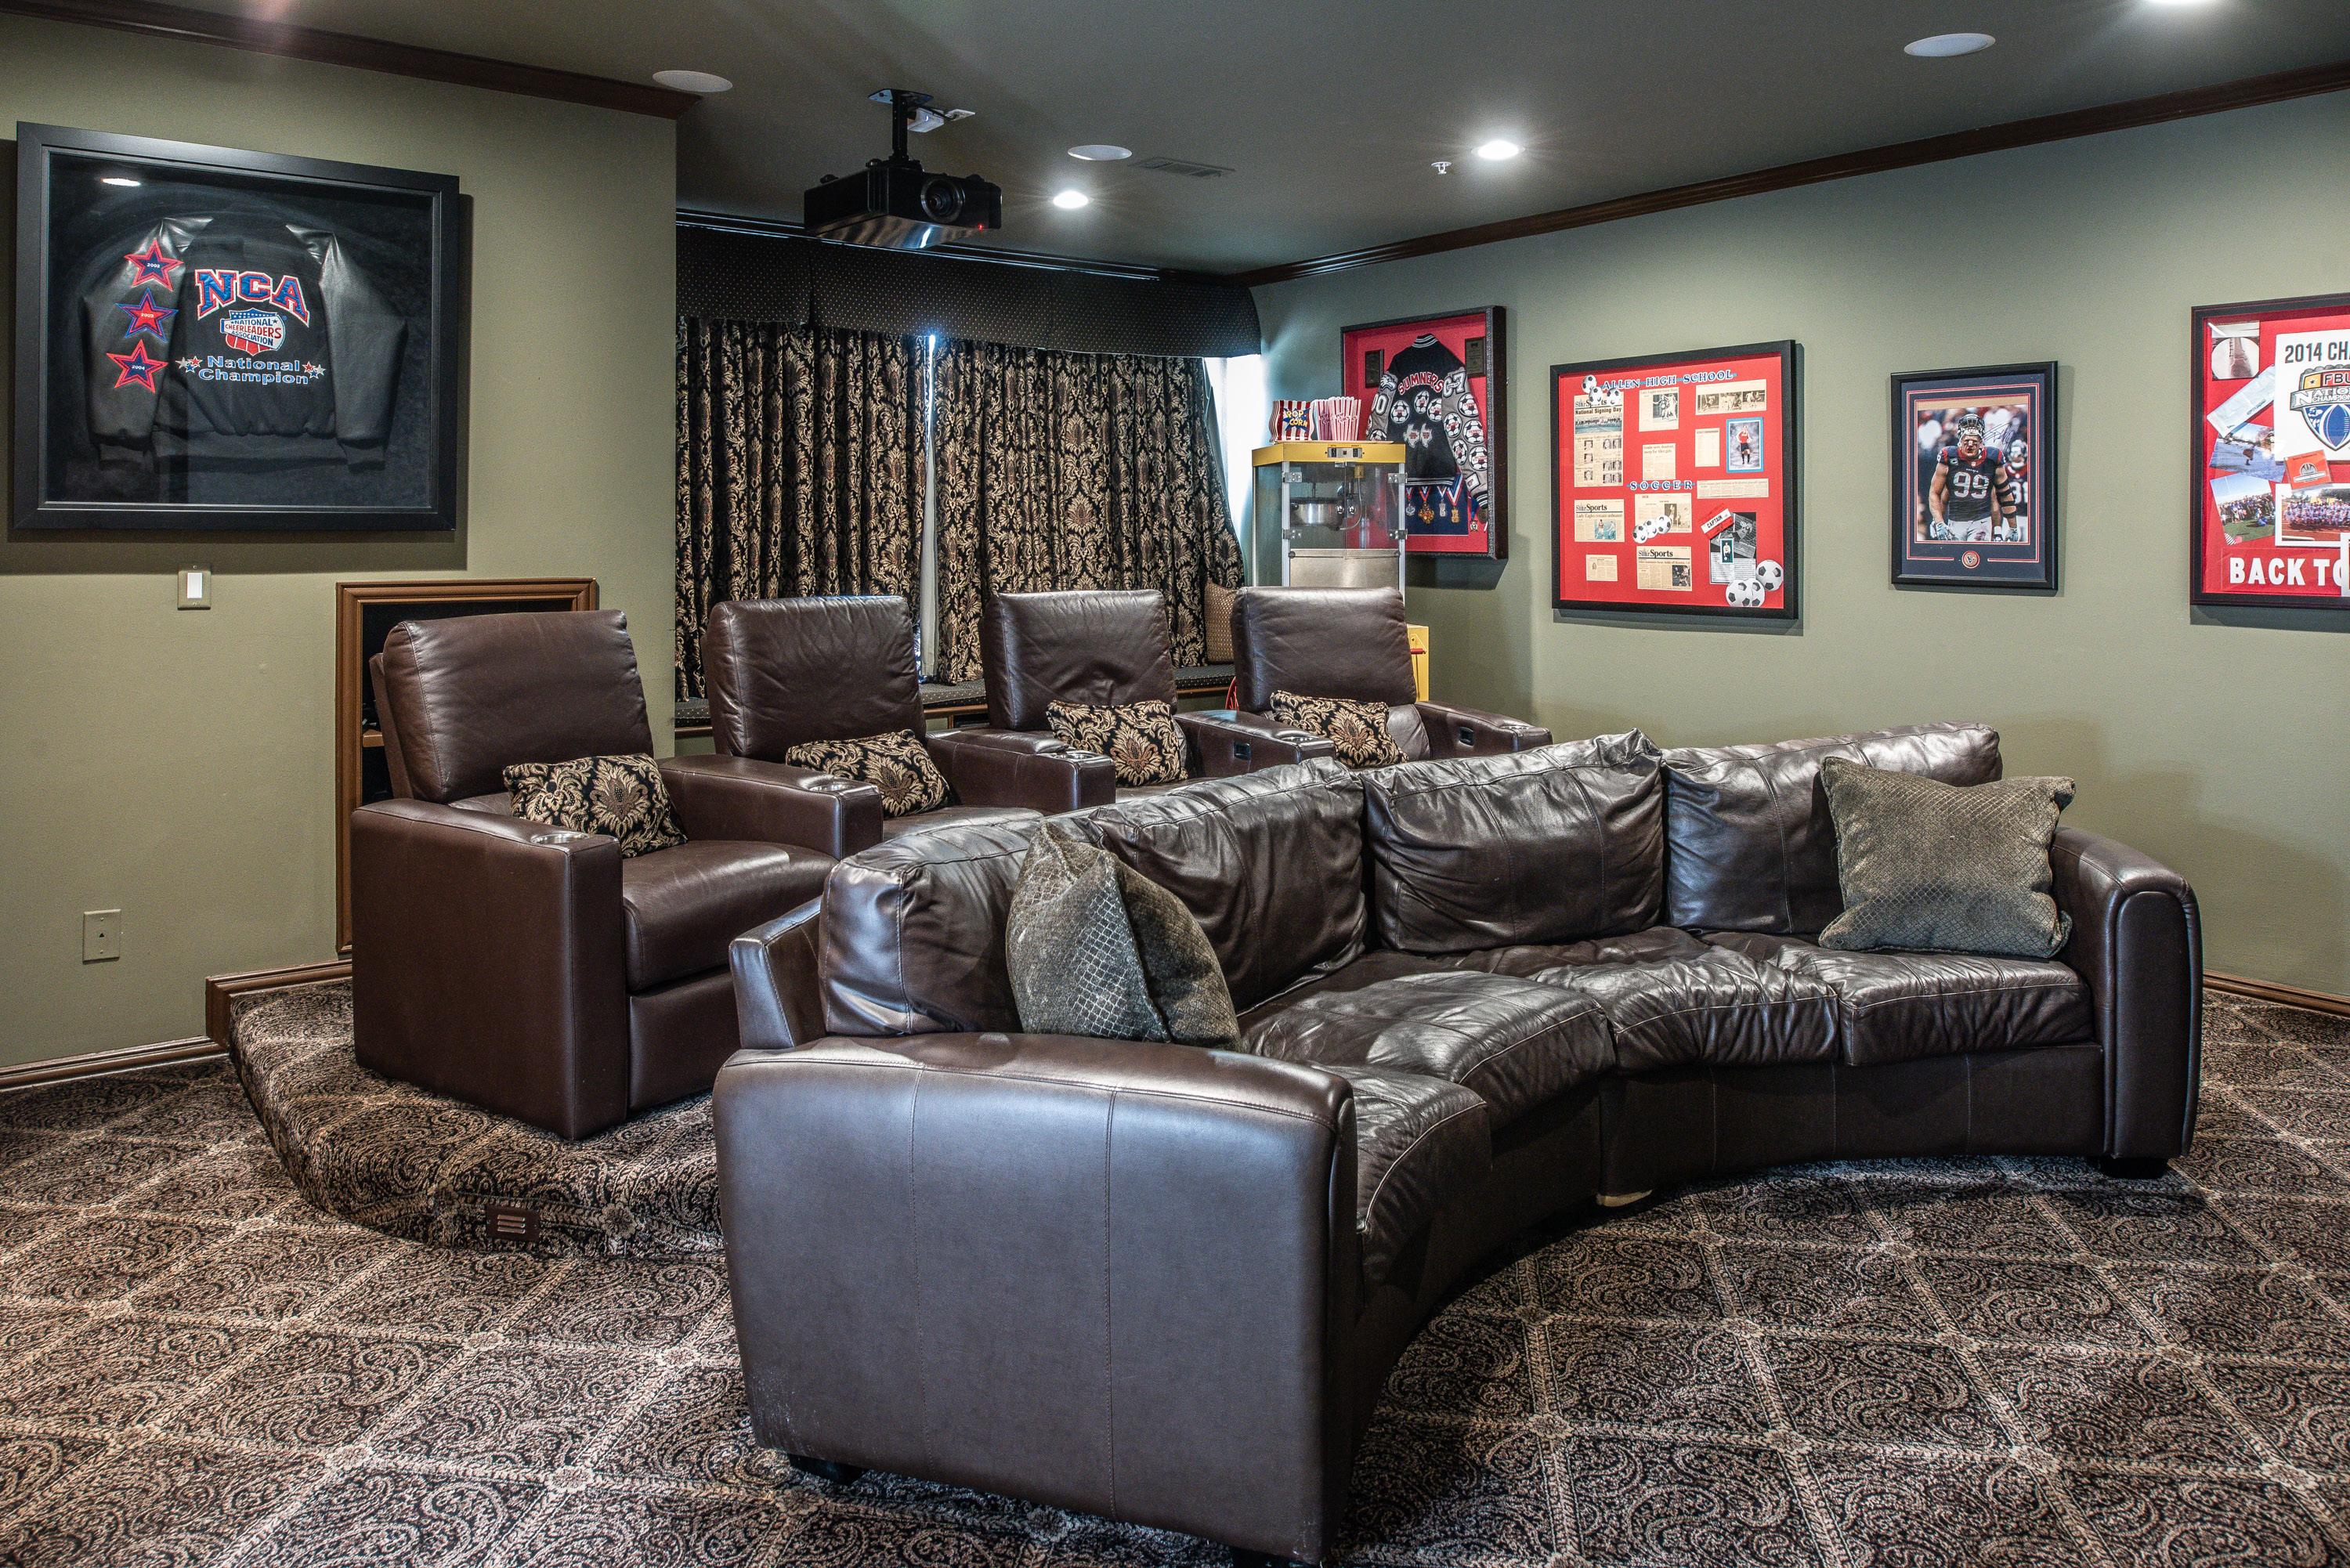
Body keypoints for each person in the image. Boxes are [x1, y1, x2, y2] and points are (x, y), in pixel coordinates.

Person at [1928, 412, 2010, 542]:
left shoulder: (1991, 458)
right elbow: (1940, 495)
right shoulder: (1949, 456)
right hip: (1956, 519)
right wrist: (1938, 521)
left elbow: (1994, 499)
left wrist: (1997, 530)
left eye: (1974, 440)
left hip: (1981, 520)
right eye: (1967, 440)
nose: (1971, 443)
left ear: (1980, 441)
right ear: (1961, 439)